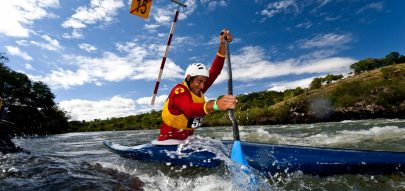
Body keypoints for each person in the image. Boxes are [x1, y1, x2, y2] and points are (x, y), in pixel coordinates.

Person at [154, 29, 237, 145]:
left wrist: (222, 45)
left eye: (204, 82)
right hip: (168, 143)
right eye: (199, 81)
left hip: (187, 141)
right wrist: (216, 105)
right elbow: (189, 109)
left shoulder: (198, 86)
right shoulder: (179, 90)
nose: (202, 86)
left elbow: (215, 70)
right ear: (188, 78)